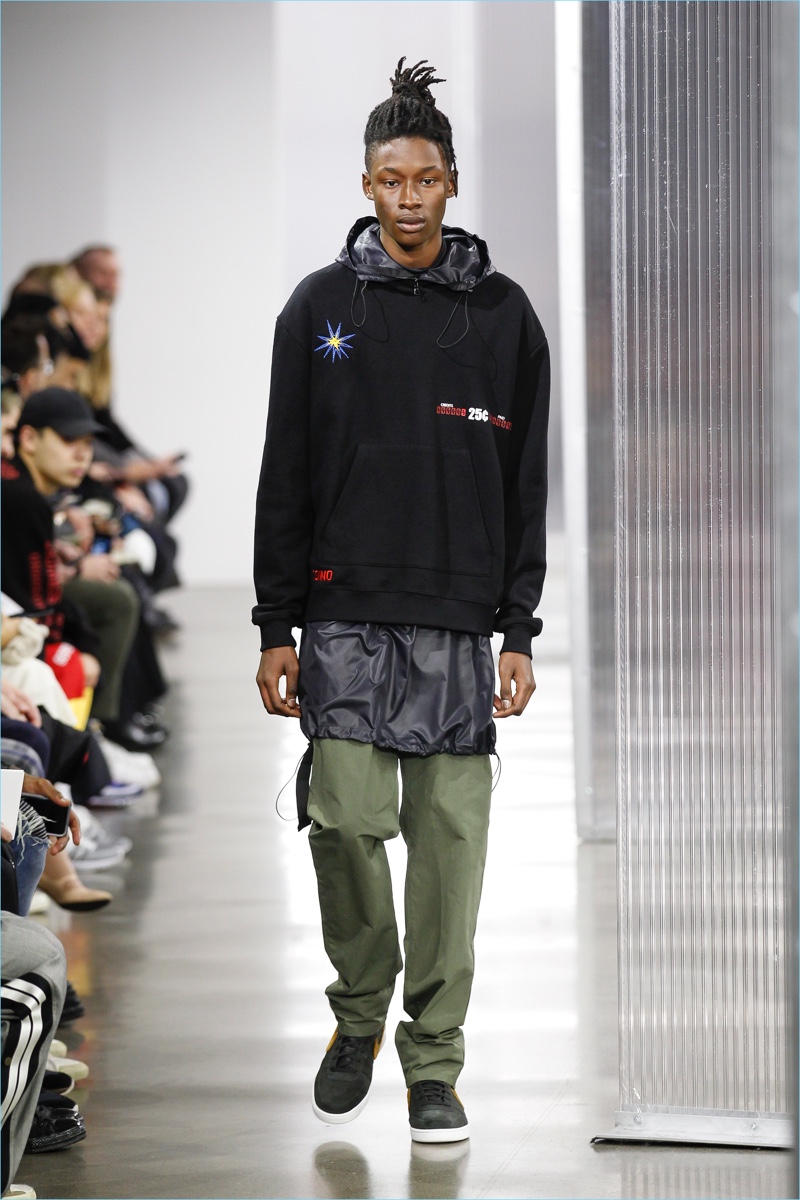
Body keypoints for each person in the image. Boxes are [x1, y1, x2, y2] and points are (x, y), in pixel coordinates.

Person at [253, 59, 549, 1143]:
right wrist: (273, 623)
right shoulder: (318, 308)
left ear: (452, 182)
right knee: (342, 823)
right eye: (390, 178)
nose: (409, 197)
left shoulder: (504, 317)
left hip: (459, 619)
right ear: (367, 183)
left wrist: (519, 629)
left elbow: (525, 485)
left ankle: (433, 1064)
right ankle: (358, 1012)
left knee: (449, 852)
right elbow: (285, 469)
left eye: (426, 178)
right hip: (342, 613)